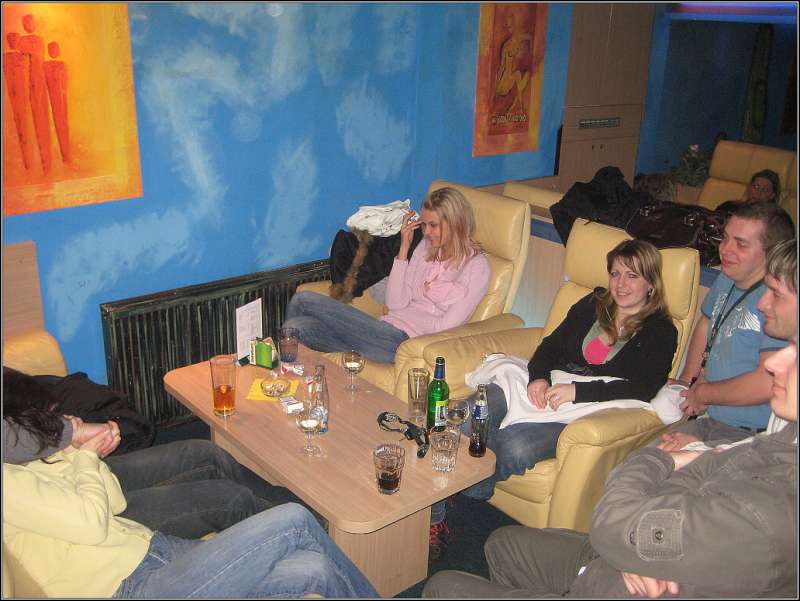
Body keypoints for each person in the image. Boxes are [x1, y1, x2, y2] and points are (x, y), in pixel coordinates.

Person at [423, 334, 798, 598]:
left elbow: (611, 520)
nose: (773, 362)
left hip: (612, 580)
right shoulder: (774, 439)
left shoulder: (772, 507)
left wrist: (662, 461)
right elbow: (694, 472)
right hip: (618, 555)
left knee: (441, 587)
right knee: (500, 543)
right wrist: (641, 538)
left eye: (795, 352)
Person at [2, 378, 379, 598]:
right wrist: (84, 455)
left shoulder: (32, 460)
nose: (56, 422)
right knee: (293, 519)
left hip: (152, 551)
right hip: (130, 588)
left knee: (316, 568)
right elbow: (91, 524)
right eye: (47, 417)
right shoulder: (7, 484)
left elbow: (112, 501)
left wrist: (76, 452)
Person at [428, 239, 678, 557]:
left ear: (650, 282)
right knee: (463, 417)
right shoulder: (593, 303)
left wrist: (579, 391)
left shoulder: (661, 331)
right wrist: (539, 377)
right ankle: (435, 510)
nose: (620, 284)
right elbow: (549, 346)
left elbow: (645, 387)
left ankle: (465, 489)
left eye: (632, 276)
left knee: (513, 446)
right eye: (615, 273)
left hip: (583, 408)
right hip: (547, 386)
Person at [2, 367, 309, 539]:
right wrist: (78, 444)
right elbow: (108, 505)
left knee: (205, 452)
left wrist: (70, 437)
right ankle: (298, 525)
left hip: (67, 469)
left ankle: (289, 504)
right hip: (85, 498)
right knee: (230, 498)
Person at [283, 186, 490, 363]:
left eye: (433, 225)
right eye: (424, 225)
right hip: (382, 332)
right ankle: (291, 384)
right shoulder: (425, 249)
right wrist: (404, 249)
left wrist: (422, 304)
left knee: (303, 300)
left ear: (455, 223)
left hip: (402, 342)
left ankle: (284, 376)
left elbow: (447, 326)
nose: (426, 233)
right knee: (295, 328)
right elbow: (396, 304)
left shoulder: (476, 266)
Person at [669, 202, 794, 441]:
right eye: (725, 238)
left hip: (747, 433)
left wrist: (704, 394)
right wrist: (687, 380)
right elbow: (706, 323)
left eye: (741, 244)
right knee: (643, 459)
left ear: (772, 252)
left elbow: (767, 382)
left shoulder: (777, 304)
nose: (725, 250)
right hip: (709, 417)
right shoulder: (728, 277)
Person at [715, 168, 781, 216]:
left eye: (765, 190)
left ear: (772, 195)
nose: (758, 192)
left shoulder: (771, 220)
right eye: (756, 187)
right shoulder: (729, 206)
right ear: (749, 187)